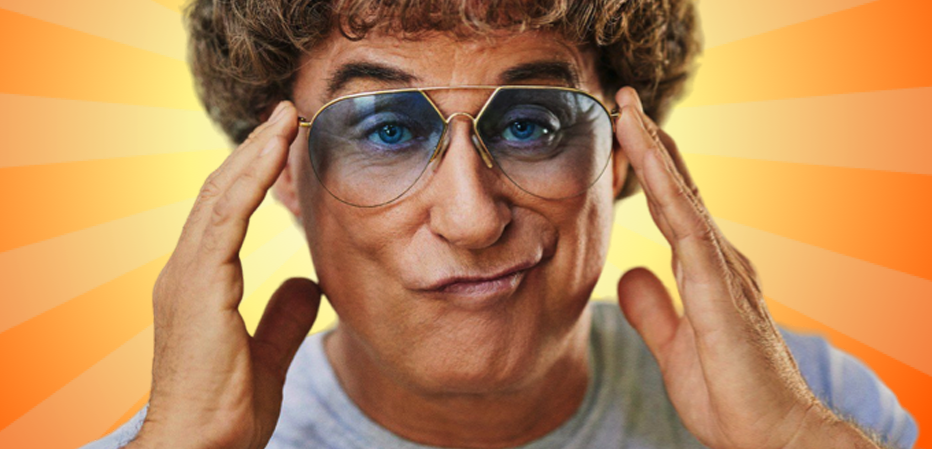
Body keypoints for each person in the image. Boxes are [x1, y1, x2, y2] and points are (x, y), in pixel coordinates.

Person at [81, 0, 918, 448]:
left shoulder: (821, 404)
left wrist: (789, 439)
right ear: (281, 175)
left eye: (529, 124)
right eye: (386, 130)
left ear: (623, 156)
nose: (471, 216)